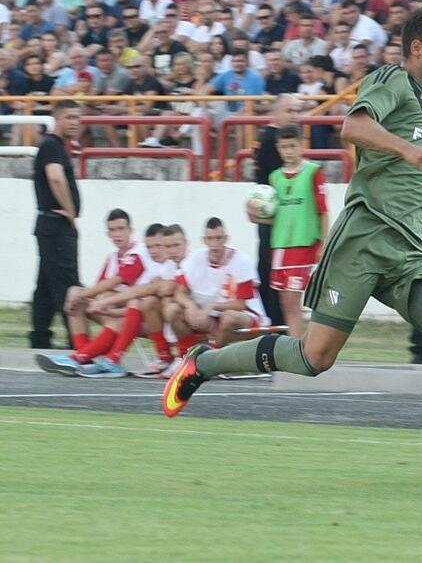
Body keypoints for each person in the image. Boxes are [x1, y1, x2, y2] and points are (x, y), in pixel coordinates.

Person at [161, 6, 422, 482]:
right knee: (313, 358)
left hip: (409, 253)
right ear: (418, 50)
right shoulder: (392, 80)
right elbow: (353, 127)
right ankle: (202, 364)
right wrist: (410, 150)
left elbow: (408, 168)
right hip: (363, 242)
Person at [35, 209, 153, 375]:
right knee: (75, 296)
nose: (117, 234)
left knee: (100, 301)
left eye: (121, 229)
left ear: (130, 231)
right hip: (119, 311)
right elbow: (100, 288)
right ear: (108, 234)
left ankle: (79, 358)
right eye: (112, 230)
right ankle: (85, 357)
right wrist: (77, 294)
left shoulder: (139, 253)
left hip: (144, 316)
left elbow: (115, 282)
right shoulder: (112, 256)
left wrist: (89, 296)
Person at [247, 125, 328, 339]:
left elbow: (322, 211)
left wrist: (324, 242)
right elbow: (277, 215)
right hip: (280, 246)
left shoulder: (313, 172)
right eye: (284, 147)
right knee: (285, 302)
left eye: (292, 146)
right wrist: (254, 216)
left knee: (292, 300)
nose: (288, 151)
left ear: (301, 145)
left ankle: (297, 349)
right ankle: (296, 346)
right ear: (278, 148)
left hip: (303, 245)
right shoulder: (275, 178)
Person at [165, 218, 269, 350]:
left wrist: (211, 306)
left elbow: (240, 304)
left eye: (218, 238)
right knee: (172, 310)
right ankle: (187, 355)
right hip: (210, 317)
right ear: (204, 240)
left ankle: (211, 359)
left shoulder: (241, 261)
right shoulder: (196, 258)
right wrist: (190, 305)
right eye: (210, 239)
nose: (214, 244)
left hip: (245, 317)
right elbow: (179, 292)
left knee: (229, 317)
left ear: (226, 239)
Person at [30, 100, 82, 351]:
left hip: (48, 225)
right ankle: (78, 342)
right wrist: (71, 213)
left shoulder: (54, 146)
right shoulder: (52, 145)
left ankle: (40, 338)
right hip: (57, 225)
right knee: (68, 285)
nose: (75, 122)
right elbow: (55, 177)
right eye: (70, 117)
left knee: (47, 285)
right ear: (58, 119)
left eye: (78, 118)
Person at [252, 95, 300, 327]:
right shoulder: (271, 140)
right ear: (276, 112)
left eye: (297, 111)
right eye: (289, 110)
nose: (294, 115)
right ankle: (275, 325)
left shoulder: (270, 138)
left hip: (274, 219)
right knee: (274, 273)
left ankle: (276, 325)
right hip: (273, 220)